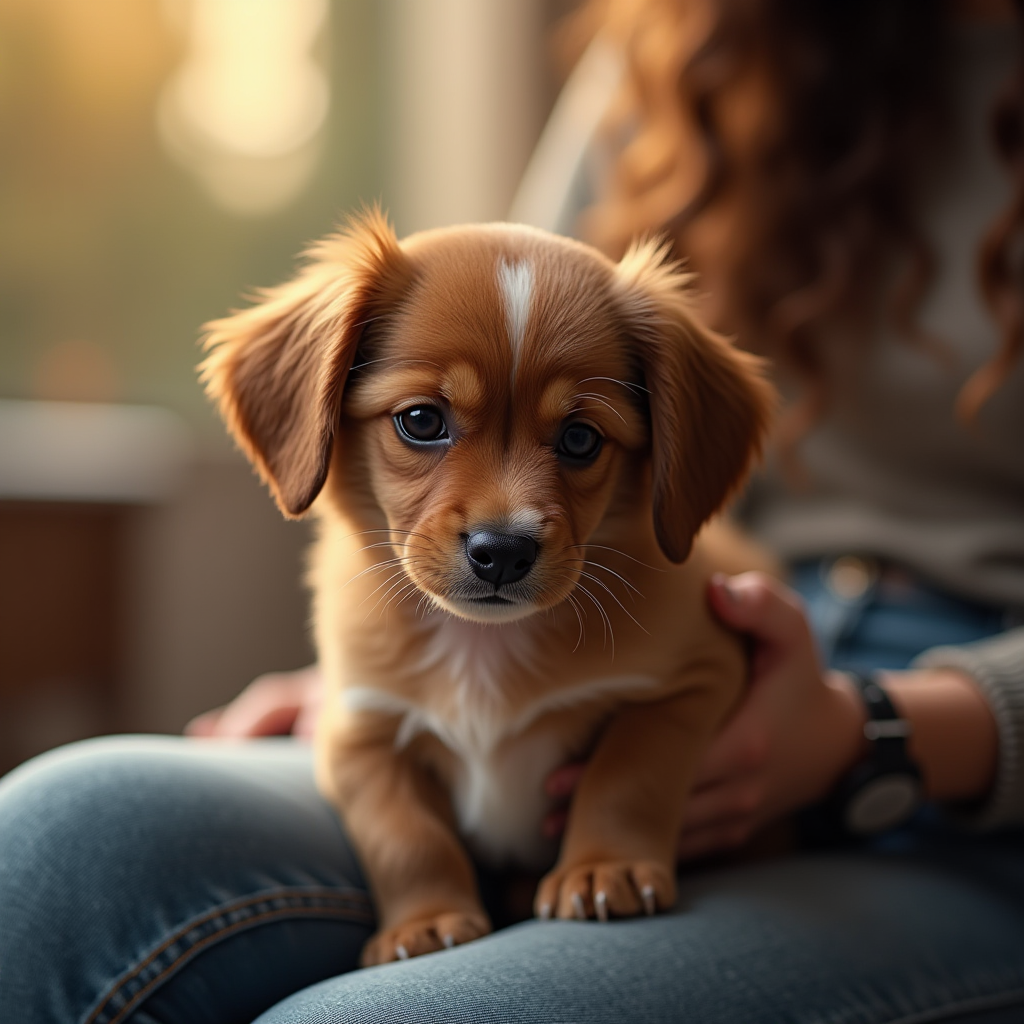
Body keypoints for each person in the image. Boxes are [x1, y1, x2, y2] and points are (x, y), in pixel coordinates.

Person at [2, 2, 1023, 1022]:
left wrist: (881, 731)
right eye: (420, 421)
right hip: (694, 626)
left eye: (577, 440)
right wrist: (379, 687)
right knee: (57, 846)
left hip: (952, 792)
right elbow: (511, 289)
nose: (503, 513)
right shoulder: (701, 39)